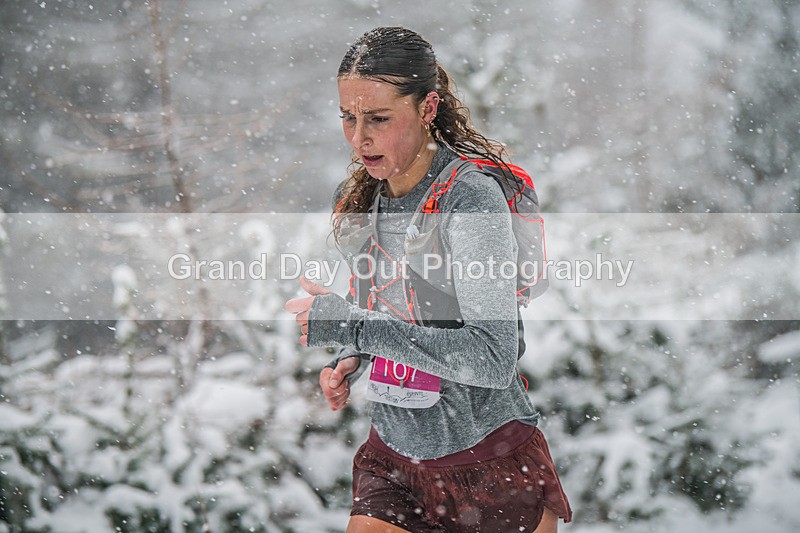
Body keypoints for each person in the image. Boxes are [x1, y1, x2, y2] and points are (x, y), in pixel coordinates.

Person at [285, 26, 572, 533]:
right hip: (393, 458)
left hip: (488, 463)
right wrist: (351, 358)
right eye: (348, 119)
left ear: (427, 108)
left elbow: (491, 357)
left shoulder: (470, 201)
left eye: (377, 119)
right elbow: (386, 315)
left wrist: (355, 328)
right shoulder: (361, 197)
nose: (359, 138)